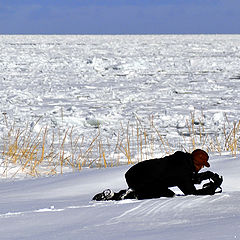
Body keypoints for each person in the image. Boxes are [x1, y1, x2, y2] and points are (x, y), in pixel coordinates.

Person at [92, 149, 223, 201]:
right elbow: (191, 192)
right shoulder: (182, 170)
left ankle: (118, 194)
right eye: (201, 166)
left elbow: (187, 178)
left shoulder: (182, 162)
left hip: (138, 172)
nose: (201, 168)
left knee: (165, 191)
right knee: (166, 195)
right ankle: (127, 195)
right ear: (195, 163)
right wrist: (211, 189)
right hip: (138, 177)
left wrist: (207, 175)